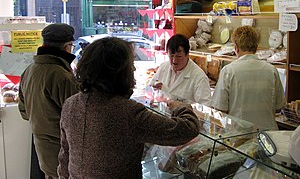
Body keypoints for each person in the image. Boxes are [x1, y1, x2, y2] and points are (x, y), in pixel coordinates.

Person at [57, 37, 200, 179]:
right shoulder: (128, 113)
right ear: (119, 72)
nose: (134, 68)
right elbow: (188, 129)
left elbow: (65, 155)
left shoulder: (70, 104)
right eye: (131, 64)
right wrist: (182, 107)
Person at [18, 23, 78, 179]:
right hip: (63, 151)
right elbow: (77, 118)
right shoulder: (61, 76)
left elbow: (24, 111)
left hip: (43, 150)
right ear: (67, 47)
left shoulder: (29, 71)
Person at [211, 26, 285, 130]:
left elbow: (220, 108)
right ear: (256, 46)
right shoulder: (272, 70)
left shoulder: (228, 71)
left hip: (239, 136)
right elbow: (278, 108)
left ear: (236, 47)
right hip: (268, 136)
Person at [148, 34, 211, 105]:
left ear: (187, 54)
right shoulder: (164, 67)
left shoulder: (199, 77)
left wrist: (182, 105)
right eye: (171, 56)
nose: (174, 60)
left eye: (179, 56)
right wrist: (154, 88)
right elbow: (149, 90)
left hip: (184, 115)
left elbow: (205, 108)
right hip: (162, 114)